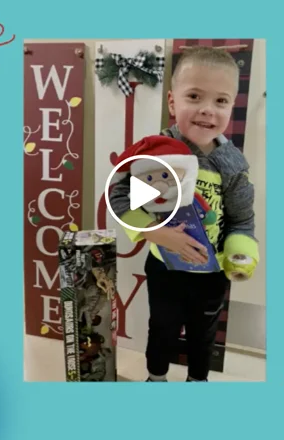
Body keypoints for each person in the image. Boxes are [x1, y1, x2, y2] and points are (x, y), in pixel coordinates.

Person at [109, 46, 259, 382]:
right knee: (160, 327)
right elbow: (119, 195)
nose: (208, 110)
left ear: (231, 106)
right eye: (194, 96)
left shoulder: (232, 165)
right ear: (173, 102)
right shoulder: (155, 150)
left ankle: (197, 380)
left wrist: (240, 254)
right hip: (164, 267)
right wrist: (153, 232)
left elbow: (242, 220)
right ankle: (156, 377)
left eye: (221, 101)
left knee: (202, 334)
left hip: (212, 272)